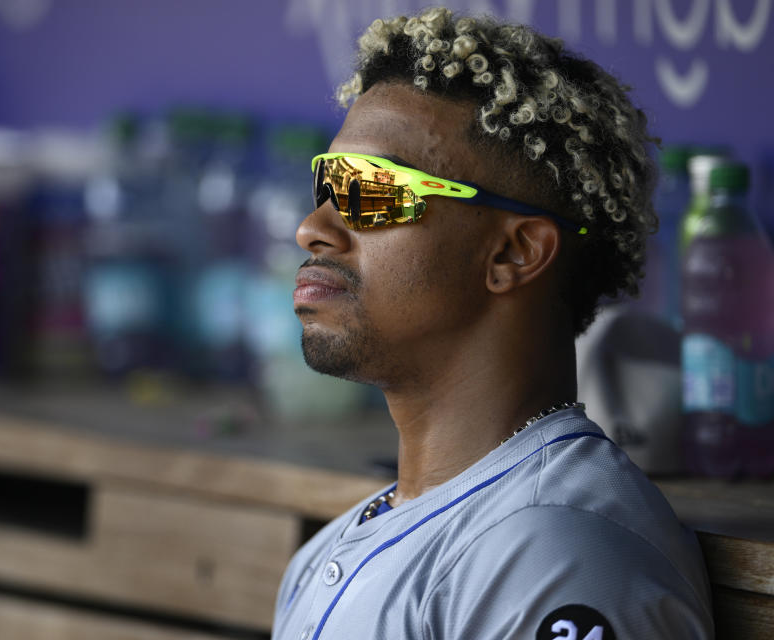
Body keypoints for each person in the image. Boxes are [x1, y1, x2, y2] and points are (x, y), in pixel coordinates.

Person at [278, 8, 713, 640]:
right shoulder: (333, 550)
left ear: (514, 253)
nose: (312, 228)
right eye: (328, 184)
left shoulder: (557, 554)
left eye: (372, 190)